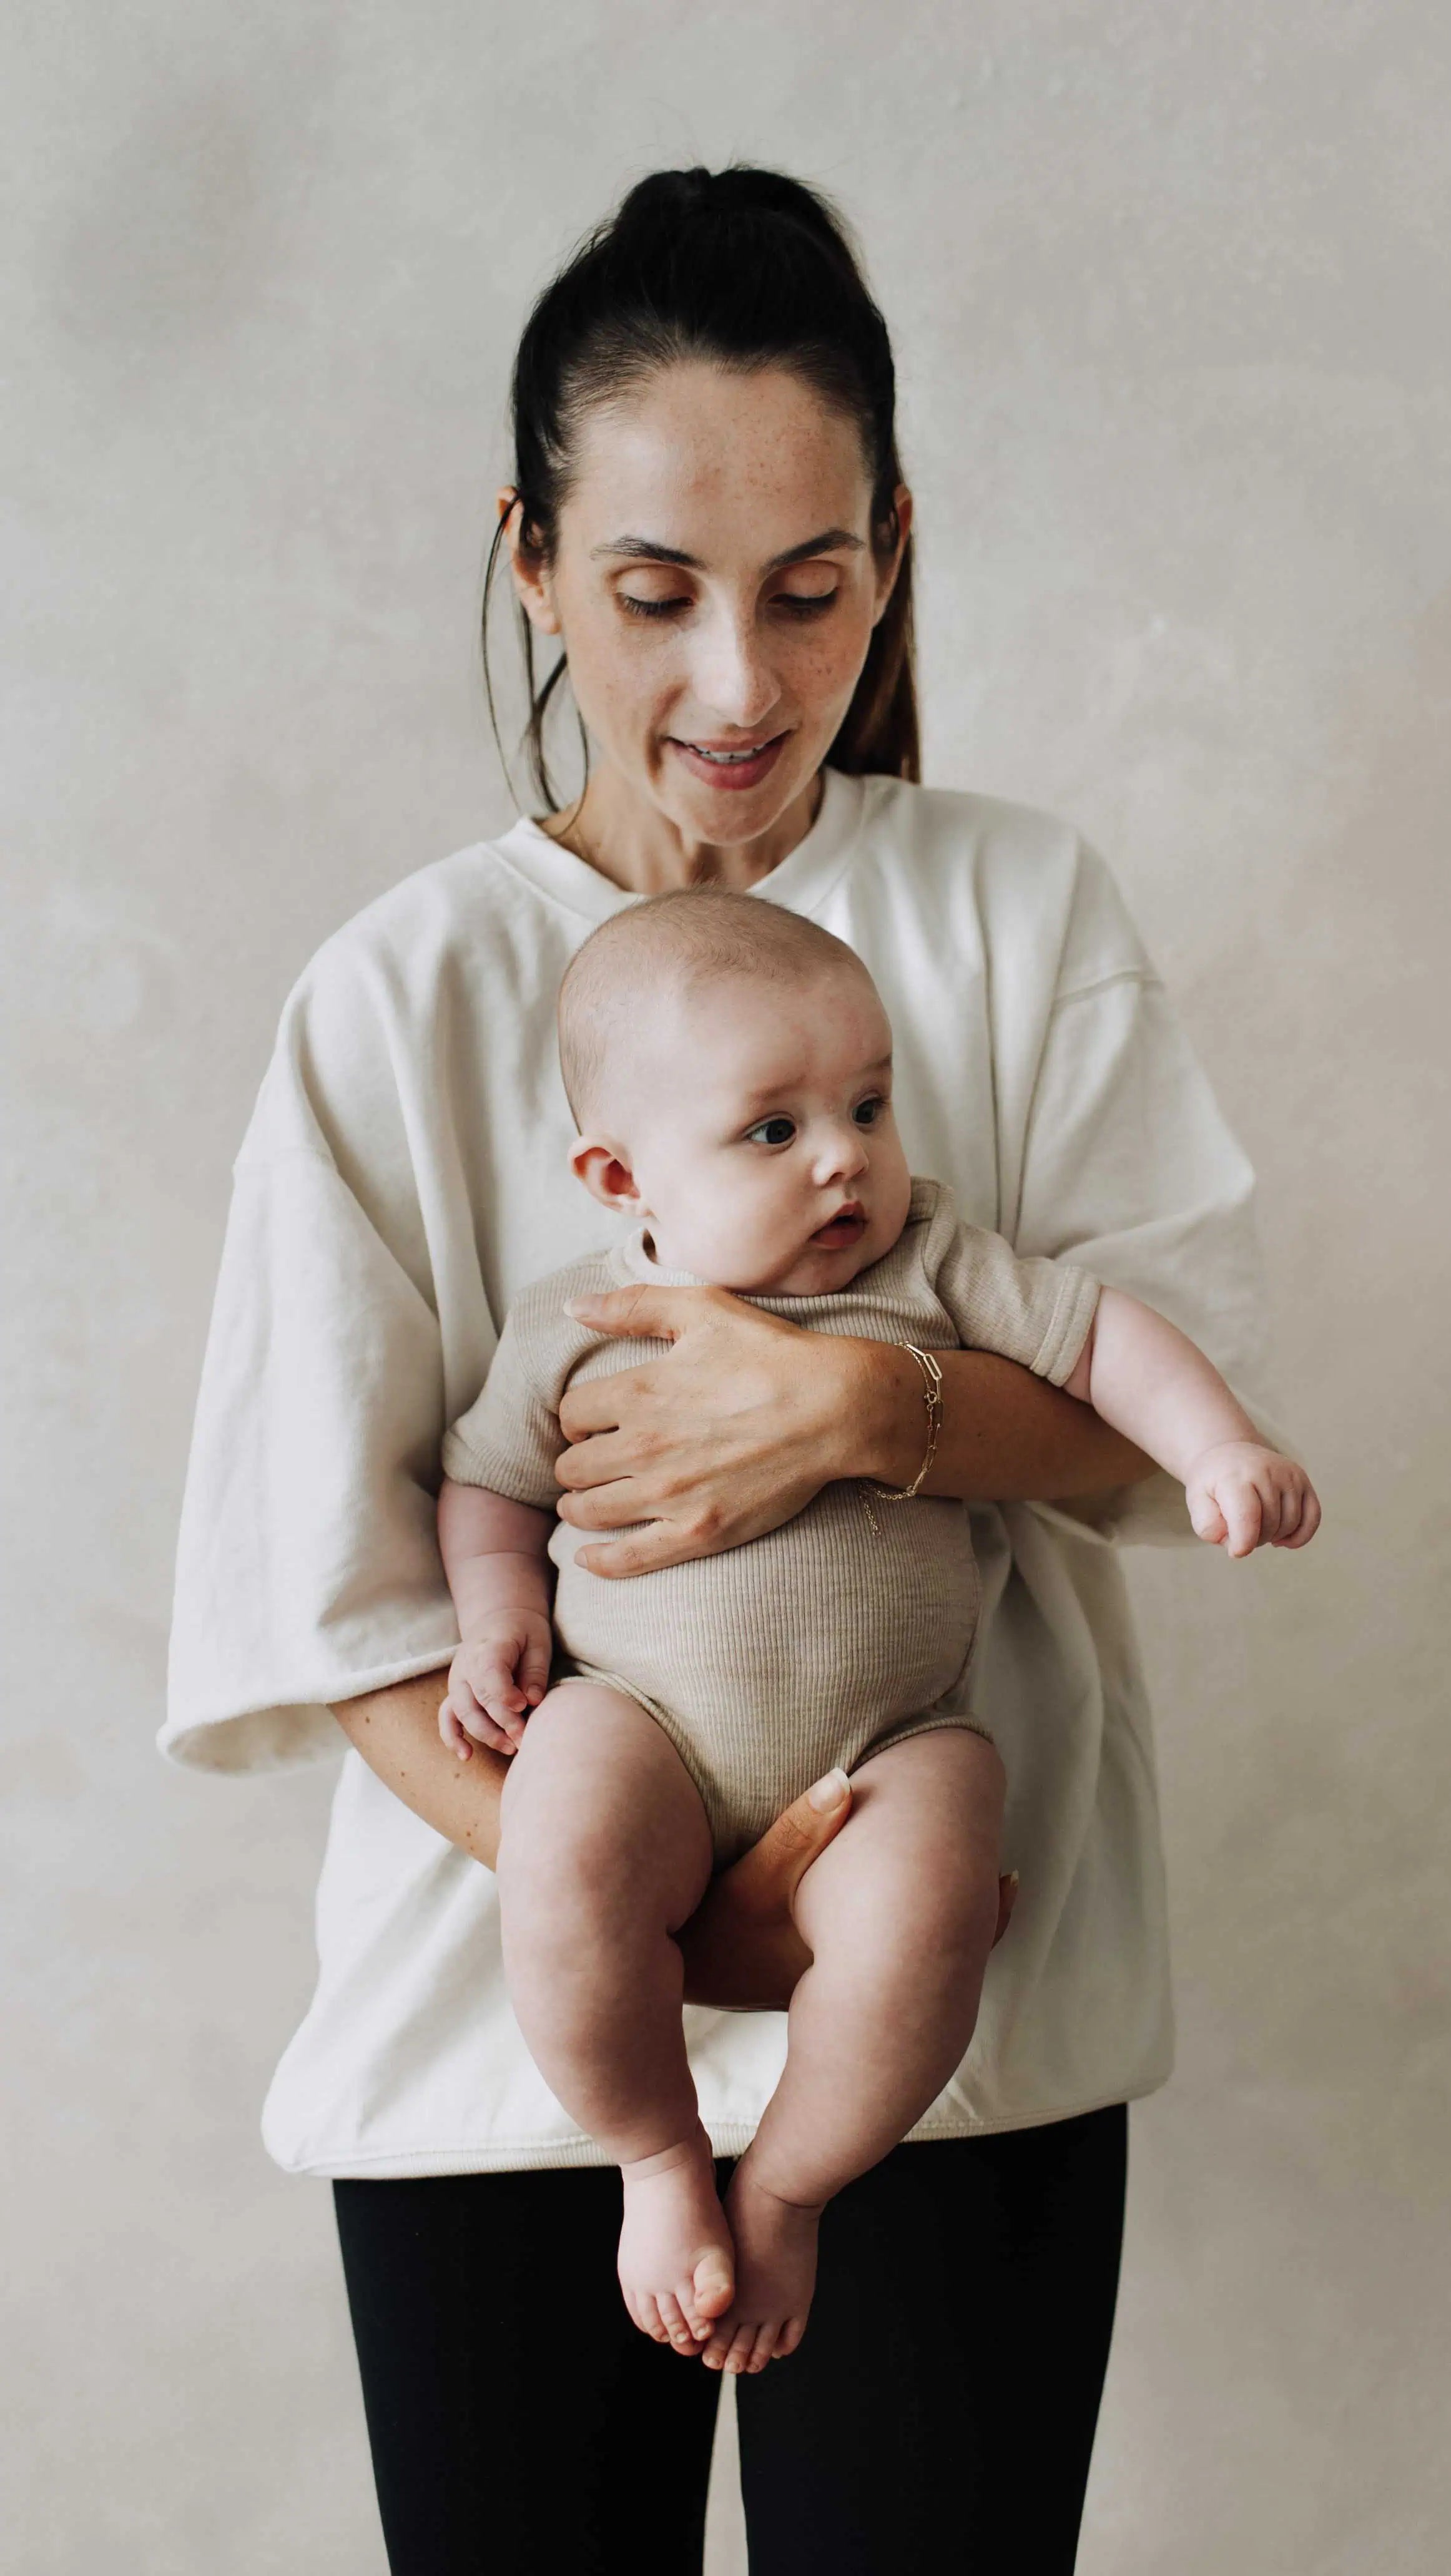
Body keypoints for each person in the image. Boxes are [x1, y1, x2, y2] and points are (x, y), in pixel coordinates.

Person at [163, 163, 1288, 2574]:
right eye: (657, 594)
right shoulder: (398, 991)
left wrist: (874, 1408)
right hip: (499, 2060)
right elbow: (321, 1595)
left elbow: (1168, 1410)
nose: (743, 687)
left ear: (893, 543)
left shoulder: (1013, 906)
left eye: (812, 587)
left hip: (955, 2055)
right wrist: (690, 1920)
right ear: (534, 558)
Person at [435, 887, 1319, 2378]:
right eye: (772, 1131)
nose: (847, 1155)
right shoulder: (581, 1319)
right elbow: (487, 1482)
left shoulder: (927, 1268)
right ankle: (655, 2160)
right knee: (562, 1864)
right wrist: (499, 1611)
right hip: (636, 1712)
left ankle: (786, 2188)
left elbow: (1103, 1339)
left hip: (890, 1740)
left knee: (929, 1917)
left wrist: (1215, 1445)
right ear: (618, 1172)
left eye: (868, 1102)